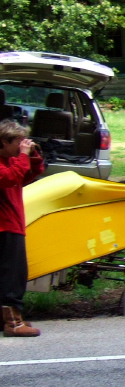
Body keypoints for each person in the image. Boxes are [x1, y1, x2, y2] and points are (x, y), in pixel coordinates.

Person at [0, 119, 44, 337]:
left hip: (11, 224)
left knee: (7, 274)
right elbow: (10, 178)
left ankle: (5, 320)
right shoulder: (4, 164)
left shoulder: (10, 160)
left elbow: (27, 175)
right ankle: (13, 324)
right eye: (17, 143)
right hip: (5, 226)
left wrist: (32, 155)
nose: (21, 147)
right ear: (3, 141)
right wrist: (24, 156)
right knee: (13, 277)